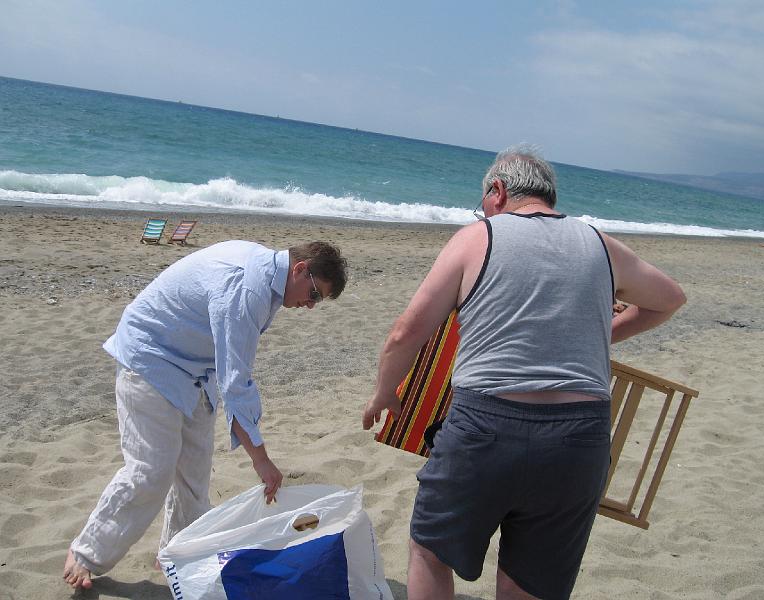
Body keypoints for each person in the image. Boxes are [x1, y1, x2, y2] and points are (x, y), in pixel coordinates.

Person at [362, 145, 686, 600]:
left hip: (485, 428)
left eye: (483, 203)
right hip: (579, 441)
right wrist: (600, 335)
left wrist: (384, 391)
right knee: (530, 583)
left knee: (431, 552)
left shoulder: (479, 237)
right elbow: (669, 300)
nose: (483, 212)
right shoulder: (600, 244)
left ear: (497, 191)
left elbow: (406, 333)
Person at [64, 240, 348, 590]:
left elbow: (229, 370)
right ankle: (86, 553)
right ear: (300, 269)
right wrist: (261, 460)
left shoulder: (271, 283)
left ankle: (176, 554)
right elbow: (236, 384)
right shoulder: (247, 287)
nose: (311, 305)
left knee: (194, 476)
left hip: (196, 369)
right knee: (152, 470)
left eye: (318, 300)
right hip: (150, 356)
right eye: (314, 294)